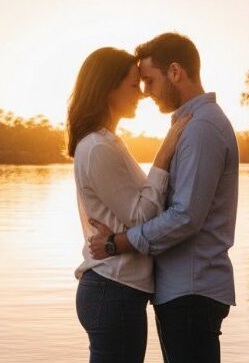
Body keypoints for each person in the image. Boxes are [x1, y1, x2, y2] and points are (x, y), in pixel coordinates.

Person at [88, 33, 239, 363]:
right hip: (183, 291)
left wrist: (119, 242)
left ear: (175, 72)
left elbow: (185, 216)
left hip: (192, 291)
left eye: (149, 80)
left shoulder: (201, 129)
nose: (145, 92)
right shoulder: (191, 125)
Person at [69, 46, 191, 363]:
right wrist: (164, 154)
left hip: (117, 289)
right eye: (133, 85)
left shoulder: (107, 142)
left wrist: (118, 236)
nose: (141, 94)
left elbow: (137, 211)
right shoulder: (97, 147)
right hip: (114, 288)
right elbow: (139, 216)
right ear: (108, 89)